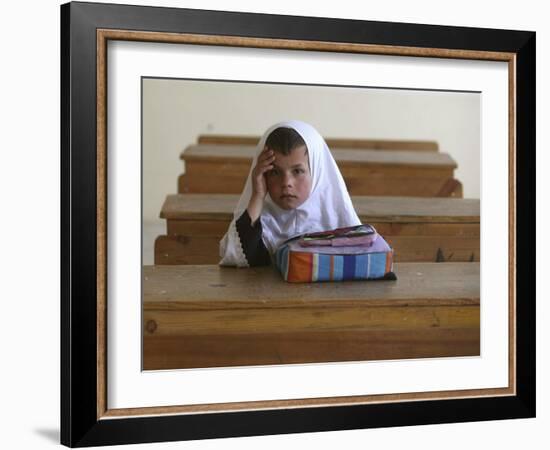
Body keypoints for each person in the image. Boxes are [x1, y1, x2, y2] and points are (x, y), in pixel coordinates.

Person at [219, 119, 362, 267]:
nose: (286, 182)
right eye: (275, 172)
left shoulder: (337, 221)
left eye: (297, 171)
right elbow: (237, 259)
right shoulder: (257, 217)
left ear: (317, 171)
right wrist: (257, 196)